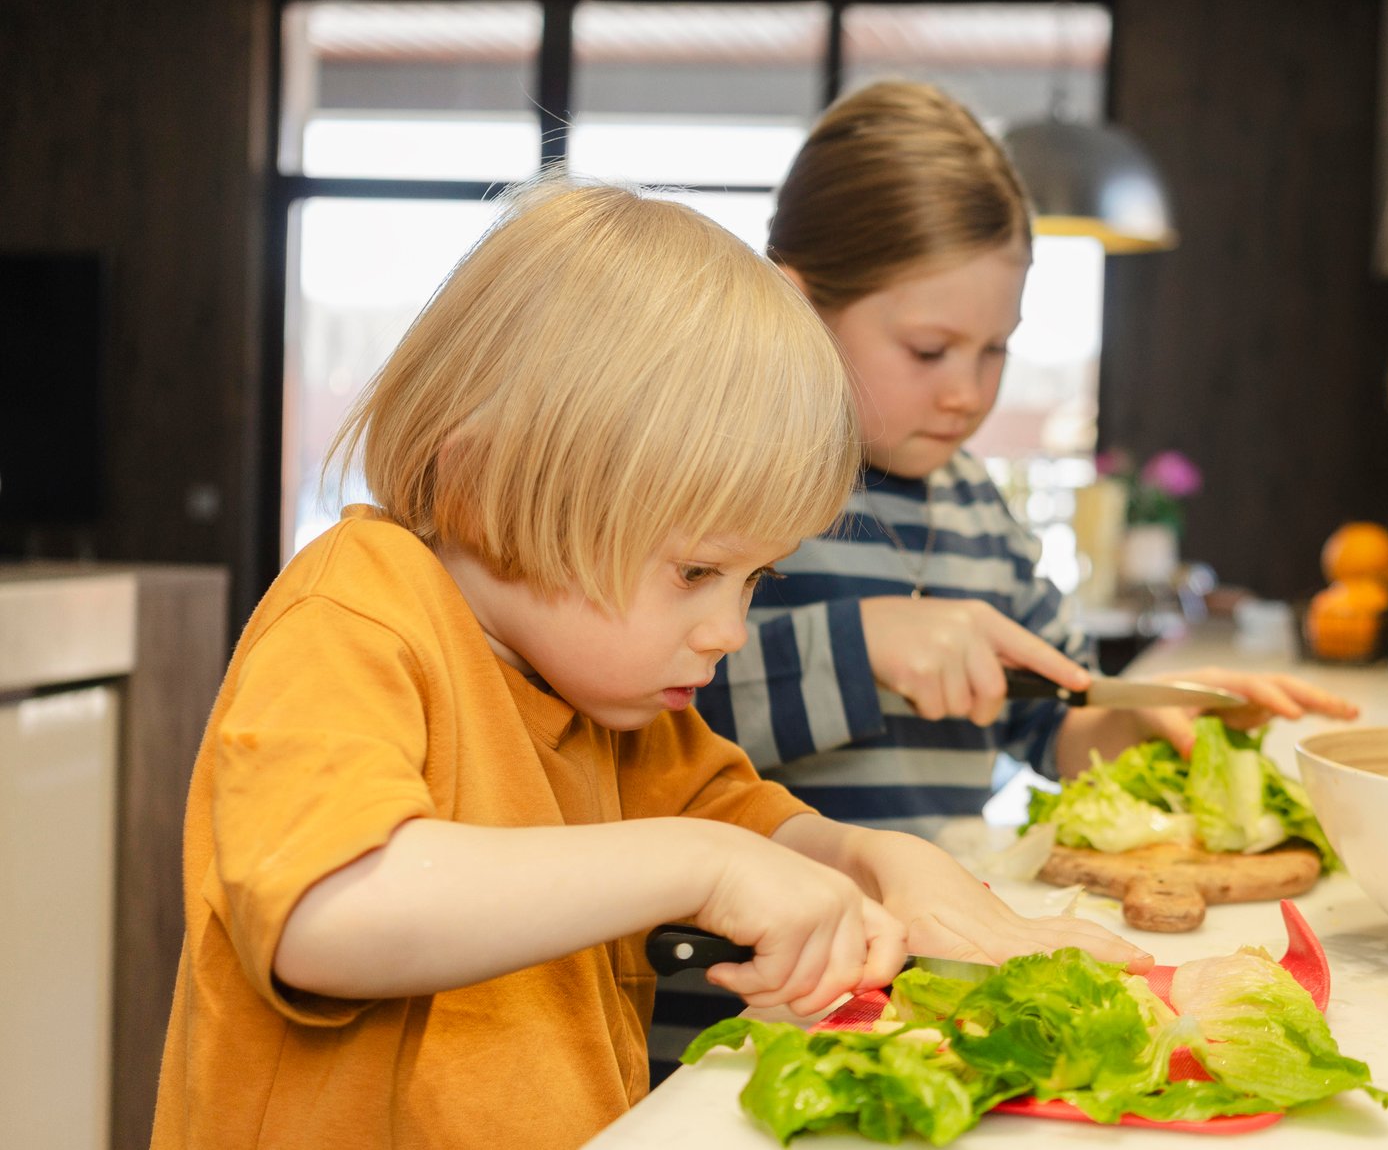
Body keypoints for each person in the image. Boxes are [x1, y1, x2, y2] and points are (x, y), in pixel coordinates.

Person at [150, 180, 1147, 1150]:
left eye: (755, 578)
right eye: (697, 569)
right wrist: (700, 865)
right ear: (484, 484)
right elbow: (328, 912)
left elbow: (752, 822)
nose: (725, 627)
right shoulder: (354, 612)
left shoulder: (612, 701)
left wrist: (869, 860)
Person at [695, 82, 1357, 840]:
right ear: (798, 305)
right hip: (761, 942)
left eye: (995, 348)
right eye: (929, 349)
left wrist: (1145, 709)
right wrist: (862, 646)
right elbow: (644, 729)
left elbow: (1056, 722)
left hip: (932, 933)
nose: (967, 393)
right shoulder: (727, 483)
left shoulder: (973, 501)